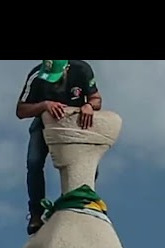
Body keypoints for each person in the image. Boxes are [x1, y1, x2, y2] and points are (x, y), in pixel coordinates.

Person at [16, 60, 102, 235]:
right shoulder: (36, 76)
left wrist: (89, 106)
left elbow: (96, 98)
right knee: (34, 162)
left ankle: (81, 202)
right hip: (45, 123)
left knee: (87, 165)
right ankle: (36, 213)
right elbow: (21, 110)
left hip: (75, 122)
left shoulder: (82, 70)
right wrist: (44, 105)